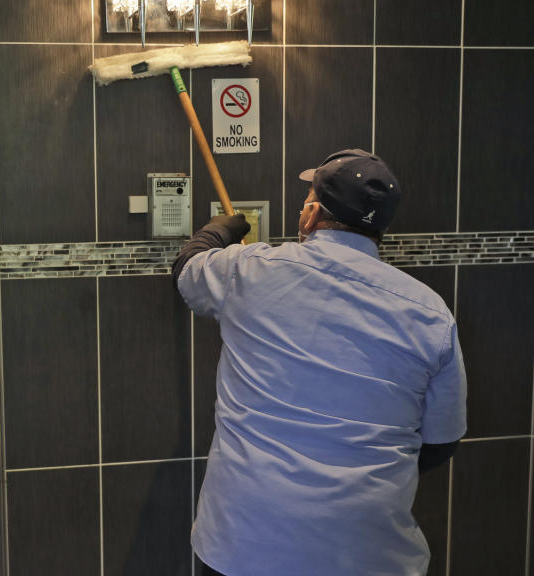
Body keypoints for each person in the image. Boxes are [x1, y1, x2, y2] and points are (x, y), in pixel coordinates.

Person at [173, 149, 467, 576]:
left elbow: (187, 270)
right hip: (368, 555)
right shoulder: (430, 312)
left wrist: (220, 230)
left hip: (245, 547)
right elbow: (440, 444)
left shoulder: (251, 271)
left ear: (311, 215)